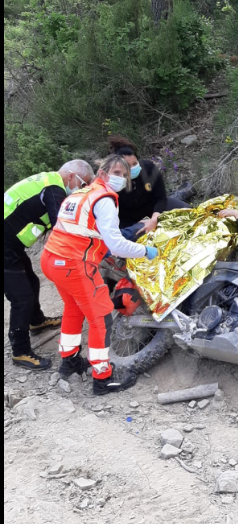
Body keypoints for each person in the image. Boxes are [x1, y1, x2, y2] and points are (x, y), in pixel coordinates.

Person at [41, 155, 159, 396]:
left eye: (124, 175)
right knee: (102, 317)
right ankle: (103, 379)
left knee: (73, 308)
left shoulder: (79, 194)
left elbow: (86, 232)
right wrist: (145, 251)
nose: (121, 178)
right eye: (117, 173)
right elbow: (116, 245)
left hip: (52, 259)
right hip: (74, 265)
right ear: (102, 173)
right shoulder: (104, 199)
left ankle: (70, 361)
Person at [4, 160, 96, 370]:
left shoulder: (48, 181)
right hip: (5, 245)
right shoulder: (54, 189)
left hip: (10, 244)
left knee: (32, 282)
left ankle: (37, 321)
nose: (82, 189)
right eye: (83, 184)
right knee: (21, 298)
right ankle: (20, 352)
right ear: (71, 176)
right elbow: (62, 226)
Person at [108, 136, 190, 240]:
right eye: (128, 166)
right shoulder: (114, 182)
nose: (133, 168)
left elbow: (161, 198)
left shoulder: (148, 168)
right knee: (140, 235)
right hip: (128, 219)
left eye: (135, 163)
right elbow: (116, 215)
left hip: (154, 207)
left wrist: (154, 219)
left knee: (187, 211)